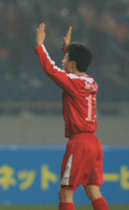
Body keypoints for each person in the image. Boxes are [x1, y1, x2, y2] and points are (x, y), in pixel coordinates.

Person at [35, 23, 108, 210]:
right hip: (94, 143)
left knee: (65, 192)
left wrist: (40, 45)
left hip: (80, 144)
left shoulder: (74, 84)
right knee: (93, 191)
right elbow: (72, 72)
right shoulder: (91, 82)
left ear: (73, 63)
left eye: (66, 57)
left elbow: (51, 69)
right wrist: (68, 49)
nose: (63, 60)